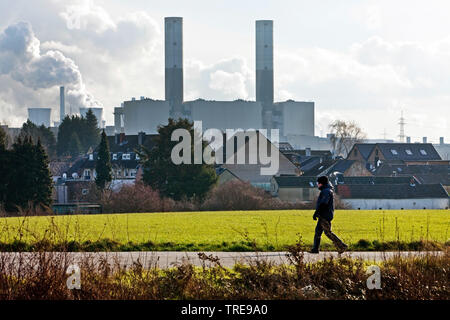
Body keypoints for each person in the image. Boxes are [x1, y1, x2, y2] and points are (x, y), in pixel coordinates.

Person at [310, 176, 348, 254]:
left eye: (318, 183)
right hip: (324, 214)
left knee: (327, 232)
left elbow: (324, 203)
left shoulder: (326, 191)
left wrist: (317, 212)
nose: (317, 185)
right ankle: (315, 249)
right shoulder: (327, 190)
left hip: (325, 215)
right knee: (318, 232)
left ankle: (342, 246)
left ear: (321, 183)